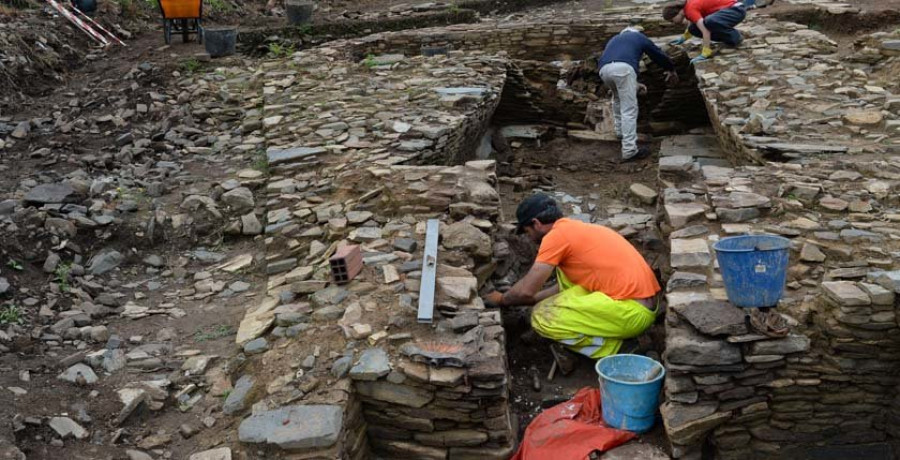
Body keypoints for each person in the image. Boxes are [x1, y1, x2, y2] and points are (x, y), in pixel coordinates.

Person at [483, 194, 661, 359]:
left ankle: (623, 348)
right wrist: (530, 300)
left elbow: (526, 291)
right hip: (639, 305)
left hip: (631, 313)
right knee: (554, 295)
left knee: (542, 318)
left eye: (527, 231)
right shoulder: (574, 231)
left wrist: (502, 300)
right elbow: (560, 288)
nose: (528, 237)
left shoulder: (555, 237)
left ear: (536, 223)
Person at [596, 27, 678, 162]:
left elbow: (619, 61)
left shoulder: (615, 39)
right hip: (623, 70)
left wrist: (635, 83)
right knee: (629, 109)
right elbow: (656, 53)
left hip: (604, 70)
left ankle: (620, 131)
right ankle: (629, 150)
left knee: (617, 99)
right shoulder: (638, 37)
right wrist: (670, 68)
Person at [662, 0, 753, 64]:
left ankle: (736, 37)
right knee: (693, 29)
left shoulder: (690, 9)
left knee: (710, 21)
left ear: (678, 13)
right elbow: (693, 23)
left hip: (736, 10)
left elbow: (705, 31)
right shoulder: (687, 9)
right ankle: (729, 39)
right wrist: (685, 37)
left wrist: (705, 52)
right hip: (725, 12)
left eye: (672, 20)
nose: (673, 23)